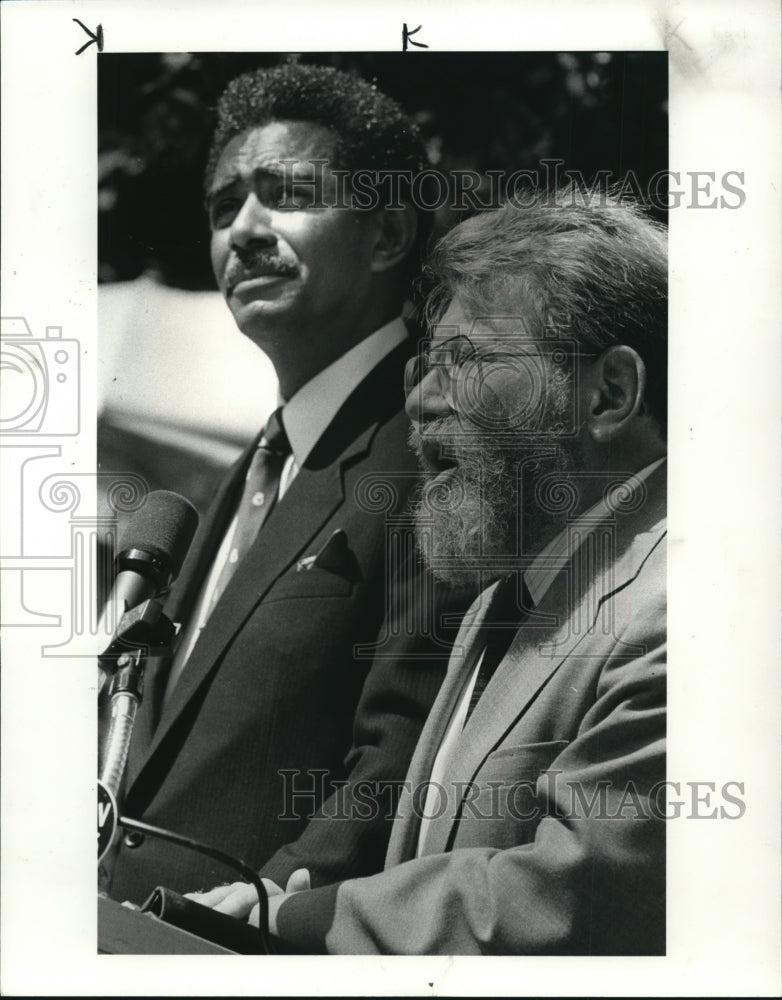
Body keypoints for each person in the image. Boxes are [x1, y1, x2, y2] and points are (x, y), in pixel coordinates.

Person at [192, 189, 669, 954]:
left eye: (465, 362)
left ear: (608, 393)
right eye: (424, 365)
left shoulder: (682, 608)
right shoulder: (500, 602)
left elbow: (576, 892)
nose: (419, 400)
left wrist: (301, 918)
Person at [103, 62, 473, 904]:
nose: (244, 229)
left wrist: (267, 911)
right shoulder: (249, 473)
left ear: (386, 236)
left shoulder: (433, 451)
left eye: (288, 192)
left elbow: (409, 742)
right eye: (223, 206)